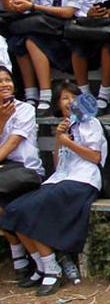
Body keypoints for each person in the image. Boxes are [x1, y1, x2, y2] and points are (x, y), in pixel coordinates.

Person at [0, 82, 104, 296]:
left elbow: (94, 157)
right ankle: (43, 265)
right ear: (58, 104)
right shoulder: (65, 126)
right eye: (65, 98)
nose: (70, 102)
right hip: (60, 179)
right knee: (16, 209)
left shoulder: (91, 123)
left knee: (33, 208)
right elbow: (58, 164)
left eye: (74, 97)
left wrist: (67, 141)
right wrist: (60, 139)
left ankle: (52, 270)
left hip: (83, 180)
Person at [0, 66, 44, 253]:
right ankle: (19, 252)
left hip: (26, 171)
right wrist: (1, 120)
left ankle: (34, 260)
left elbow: (11, 144)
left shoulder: (25, 109)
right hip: (4, 172)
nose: (4, 84)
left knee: (16, 210)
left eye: (7, 80)